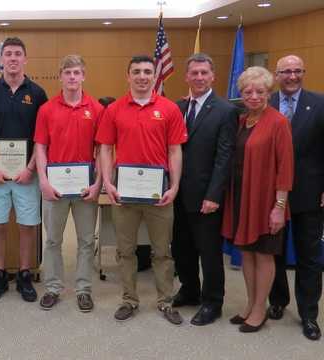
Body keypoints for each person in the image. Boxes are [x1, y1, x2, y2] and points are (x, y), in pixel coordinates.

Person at [95, 55, 187, 325]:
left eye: (147, 71)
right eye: (136, 71)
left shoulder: (169, 109)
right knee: (125, 251)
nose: (142, 76)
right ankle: (129, 299)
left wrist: (175, 186)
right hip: (125, 193)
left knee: (163, 251)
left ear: (154, 76)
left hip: (160, 193)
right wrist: (108, 183)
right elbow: (105, 148)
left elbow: (174, 150)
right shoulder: (114, 110)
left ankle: (165, 301)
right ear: (128, 76)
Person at [222, 66, 294, 333]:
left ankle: (260, 309)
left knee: (264, 255)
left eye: (260, 91)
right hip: (242, 197)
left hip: (266, 202)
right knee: (247, 254)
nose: (253, 96)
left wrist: (279, 207)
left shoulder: (278, 122)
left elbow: (285, 168)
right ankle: (251, 304)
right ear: (240, 93)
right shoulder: (242, 120)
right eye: (247, 91)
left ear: (269, 92)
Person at [0, 37, 48, 302]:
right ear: (1, 59)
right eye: (8, 54)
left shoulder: (38, 93)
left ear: (25, 59)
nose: (13, 58)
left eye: (18, 54)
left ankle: (25, 273)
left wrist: (31, 168)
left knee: (27, 225)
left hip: (27, 175)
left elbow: (42, 136)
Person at [171, 53, 237, 326]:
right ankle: (189, 290)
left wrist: (213, 195)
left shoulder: (226, 110)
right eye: (194, 73)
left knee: (209, 252)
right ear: (186, 77)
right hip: (177, 193)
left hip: (205, 196)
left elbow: (225, 158)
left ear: (213, 76)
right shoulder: (177, 107)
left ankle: (213, 302)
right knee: (182, 248)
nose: (199, 77)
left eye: (204, 73)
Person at [34, 55, 103, 311]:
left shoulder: (96, 109)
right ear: (60, 76)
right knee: (53, 240)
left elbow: (103, 150)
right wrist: (43, 181)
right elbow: (40, 148)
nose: (72, 77)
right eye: (68, 72)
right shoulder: (47, 109)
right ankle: (53, 287)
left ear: (84, 75)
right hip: (55, 188)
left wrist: (98, 184)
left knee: (86, 241)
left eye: (77, 72)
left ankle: (84, 289)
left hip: (86, 189)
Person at [267, 55, 323, 341]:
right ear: (276, 75)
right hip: (270, 193)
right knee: (273, 252)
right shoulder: (265, 103)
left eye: (297, 71)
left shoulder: (320, 103)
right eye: (286, 71)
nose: (291, 76)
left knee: (309, 257)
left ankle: (309, 314)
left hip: (308, 194)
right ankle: (277, 300)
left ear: (304, 72)